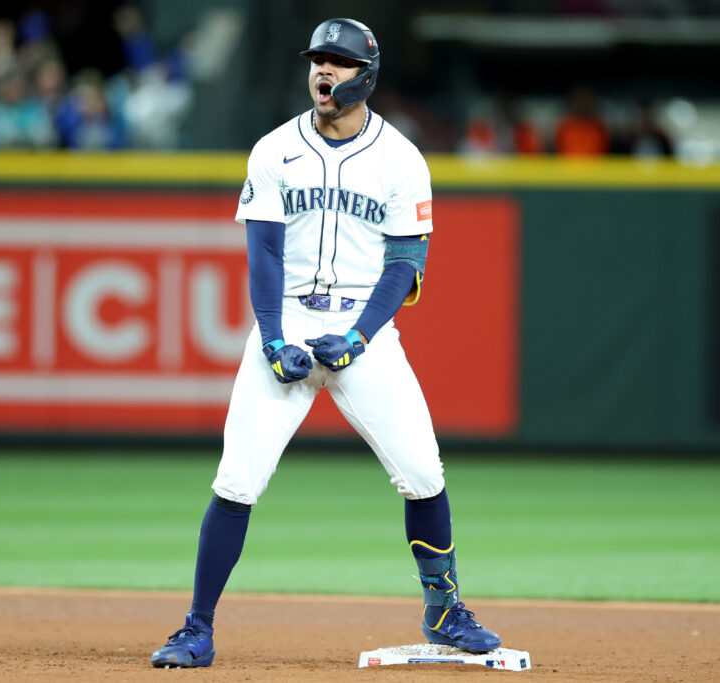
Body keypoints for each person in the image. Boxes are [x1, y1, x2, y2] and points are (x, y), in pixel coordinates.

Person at [150, 17, 501, 669]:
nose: (323, 71)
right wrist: (275, 339)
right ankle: (195, 627)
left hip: (364, 332)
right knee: (236, 480)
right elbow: (263, 255)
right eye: (317, 59)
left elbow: (405, 265)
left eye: (337, 61)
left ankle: (444, 609)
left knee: (424, 473)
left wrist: (360, 337)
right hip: (286, 323)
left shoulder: (401, 159)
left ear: (365, 74)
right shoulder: (273, 149)